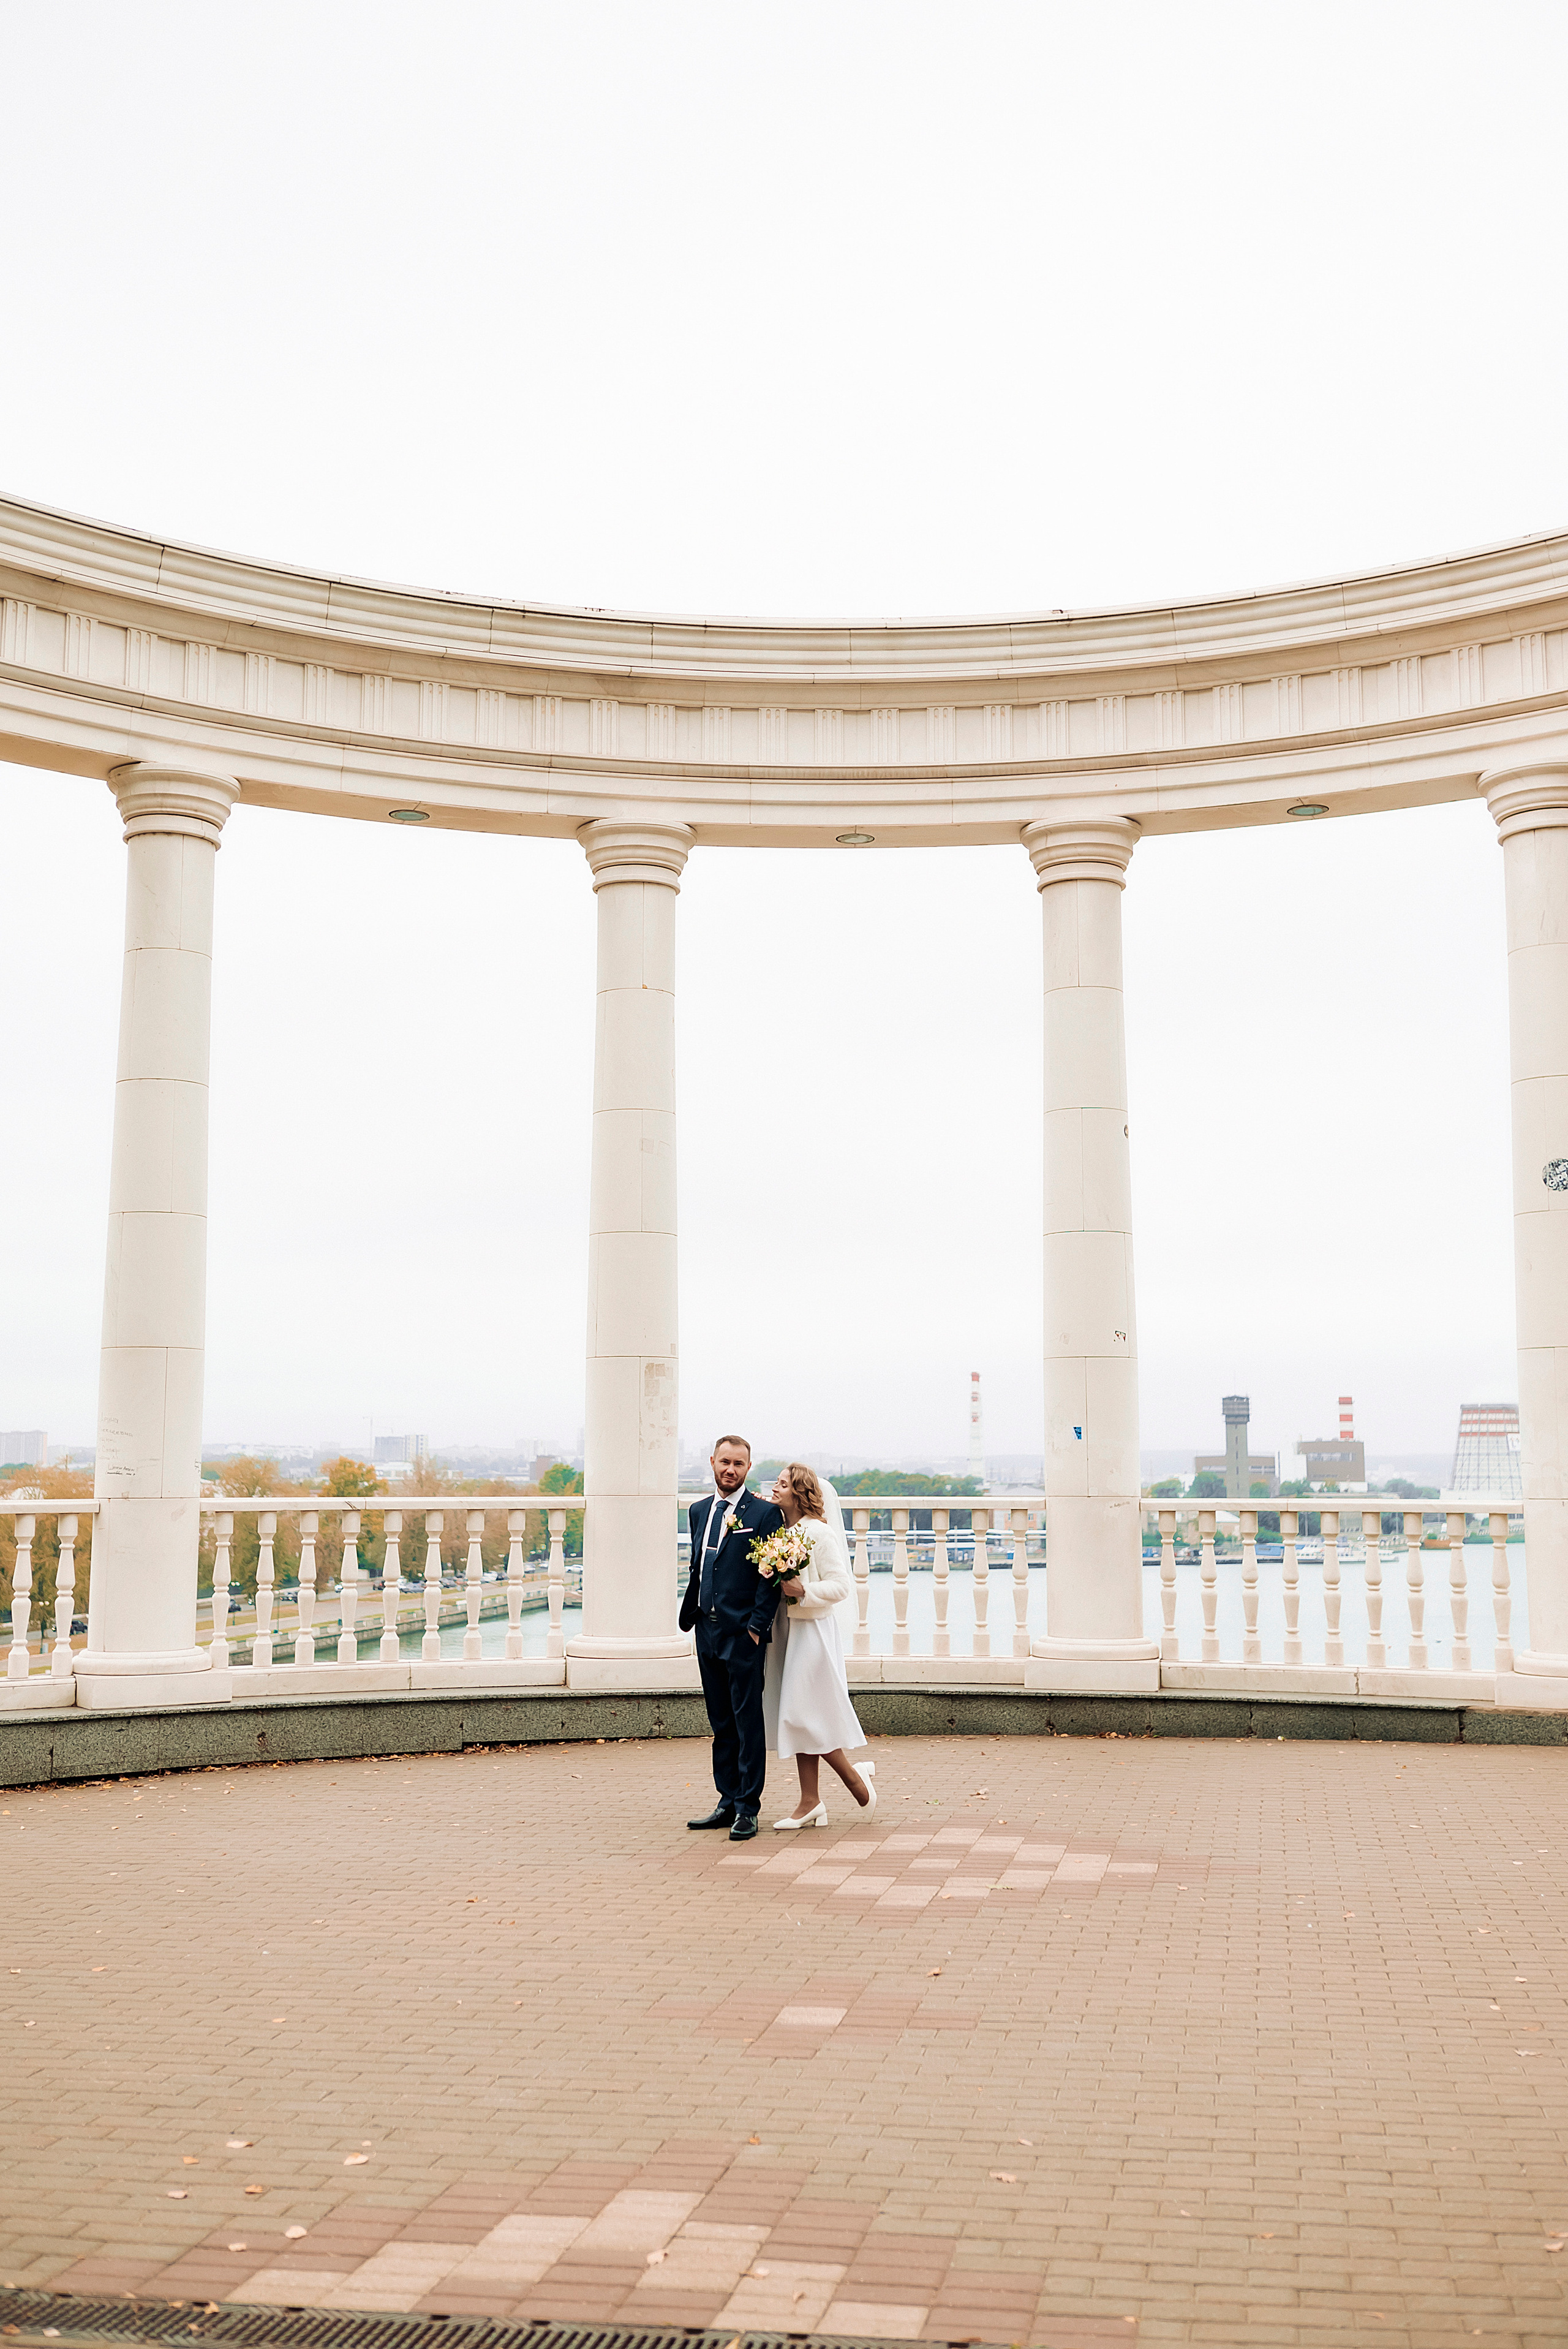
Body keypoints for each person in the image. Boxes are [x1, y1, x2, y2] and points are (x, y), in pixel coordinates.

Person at [680, 1434, 784, 1842]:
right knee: (721, 1721)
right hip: (705, 1628)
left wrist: (757, 1627)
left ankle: (747, 1808)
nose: (731, 1470)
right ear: (712, 1462)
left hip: (743, 1634)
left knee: (747, 1721)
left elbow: (771, 1578)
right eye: (725, 1462)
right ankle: (726, 1801)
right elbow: (700, 1565)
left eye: (739, 1464)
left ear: (748, 1467)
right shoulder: (698, 1511)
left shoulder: (763, 1514)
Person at [762, 1461, 875, 1828]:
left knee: (801, 1715)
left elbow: (841, 1586)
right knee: (800, 1716)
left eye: (783, 1484)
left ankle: (857, 1783)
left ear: (799, 1492)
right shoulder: (781, 1531)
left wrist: (804, 1590)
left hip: (812, 1633)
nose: (775, 1488)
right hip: (787, 1631)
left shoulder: (819, 1533)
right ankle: (811, 1801)